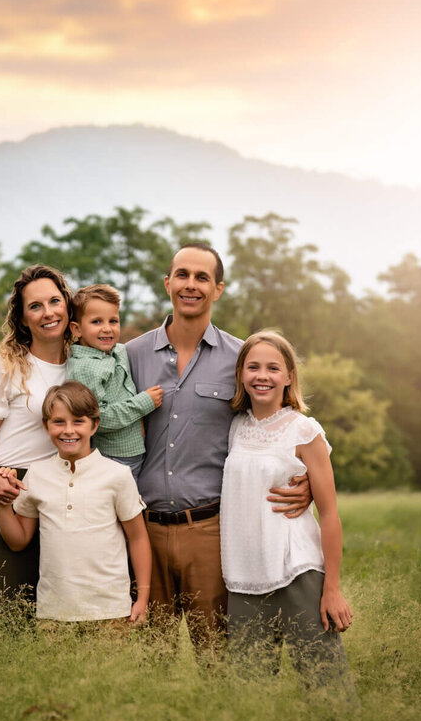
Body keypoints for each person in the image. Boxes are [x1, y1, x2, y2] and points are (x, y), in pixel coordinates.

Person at [126, 244, 311, 649]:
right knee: (149, 661)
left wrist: (308, 479)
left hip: (211, 530)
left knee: (218, 656)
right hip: (142, 531)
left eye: (202, 277)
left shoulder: (241, 359)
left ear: (218, 289)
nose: (191, 285)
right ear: (168, 282)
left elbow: (280, 425)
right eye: (183, 275)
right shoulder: (131, 355)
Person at [221, 330, 353, 682]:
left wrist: (332, 589)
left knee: (326, 686)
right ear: (241, 374)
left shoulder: (304, 430)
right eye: (253, 367)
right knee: (250, 695)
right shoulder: (236, 428)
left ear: (289, 376)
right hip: (243, 579)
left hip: (297, 571)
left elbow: (329, 513)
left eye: (273, 368)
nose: (262, 376)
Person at [0, 381, 151, 627]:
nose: (68, 430)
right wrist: (2, 503)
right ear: (46, 426)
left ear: (94, 425)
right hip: (54, 614)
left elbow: (139, 538)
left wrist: (142, 597)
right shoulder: (37, 474)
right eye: (58, 422)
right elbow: (19, 540)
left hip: (110, 611)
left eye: (78, 421)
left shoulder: (117, 475)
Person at [0, 265, 73, 629]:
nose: (48, 313)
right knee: (12, 629)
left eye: (55, 301)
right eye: (36, 306)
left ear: (68, 306)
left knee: (65, 628)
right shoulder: (6, 367)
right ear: (23, 318)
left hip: (65, 499)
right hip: (8, 494)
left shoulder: (85, 365)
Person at [65, 284, 163, 477]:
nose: (107, 329)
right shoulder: (84, 368)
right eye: (96, 322)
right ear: (77, 329)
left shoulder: (117, 351)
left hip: (136, 449)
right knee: (121, 506)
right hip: (113, 456)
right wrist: (143, 404)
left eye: (113, 321)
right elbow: (95, 418)